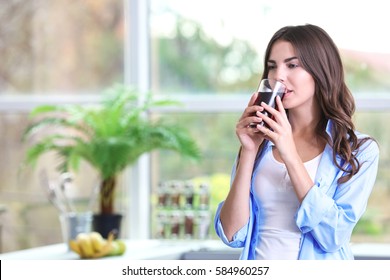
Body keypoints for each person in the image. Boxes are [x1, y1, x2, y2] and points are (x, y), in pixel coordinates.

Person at [214, 24, 379, 260]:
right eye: (272, 67)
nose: (278, 75)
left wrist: (290, 154)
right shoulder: (259, 143)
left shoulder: (359, 151)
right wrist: (249, 152)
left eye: (292, 65)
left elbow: (334, 236)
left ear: (320, 71)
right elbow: (232, 234)